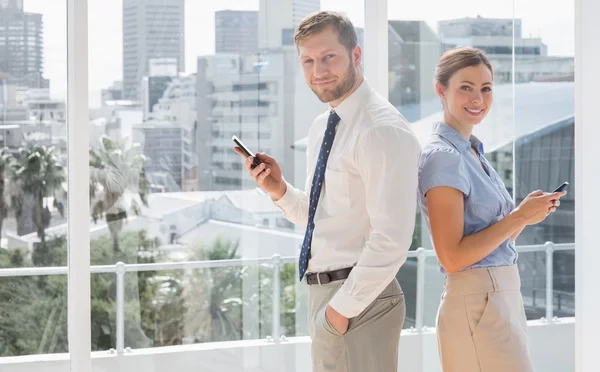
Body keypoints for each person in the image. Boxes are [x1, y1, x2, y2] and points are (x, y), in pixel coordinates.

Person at [233, 10, 420, 372]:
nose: (318, 70)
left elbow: (393, 238)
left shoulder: (381, 129)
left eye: (328, 57)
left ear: (356, 55)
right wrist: (279, 189)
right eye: (309, 61)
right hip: (327, 295)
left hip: (359, 300)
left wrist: (340, 311)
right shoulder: (324, 126)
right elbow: (324, 218)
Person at [417, 46, 567, 372]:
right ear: (441, 91)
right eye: (466, 88)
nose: (478, 99)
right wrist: (519, 216)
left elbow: (492, 243)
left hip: (501, 297)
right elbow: (452, 257)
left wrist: (527, 215)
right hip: (478, 303)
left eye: (486, 88)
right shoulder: (444, 156)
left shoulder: (474, 153)